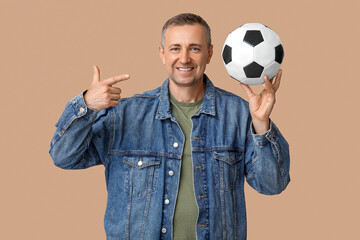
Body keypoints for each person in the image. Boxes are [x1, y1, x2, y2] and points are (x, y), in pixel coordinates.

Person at [49, 13, 290, 240]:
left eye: (194, 48)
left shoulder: (239, 113)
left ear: (210, 53)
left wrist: (261, 124)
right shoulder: (124, 114)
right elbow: (63, 157)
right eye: (175, 48)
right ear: (162, 54)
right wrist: (86, 106)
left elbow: (272, 185)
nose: (184, 58)